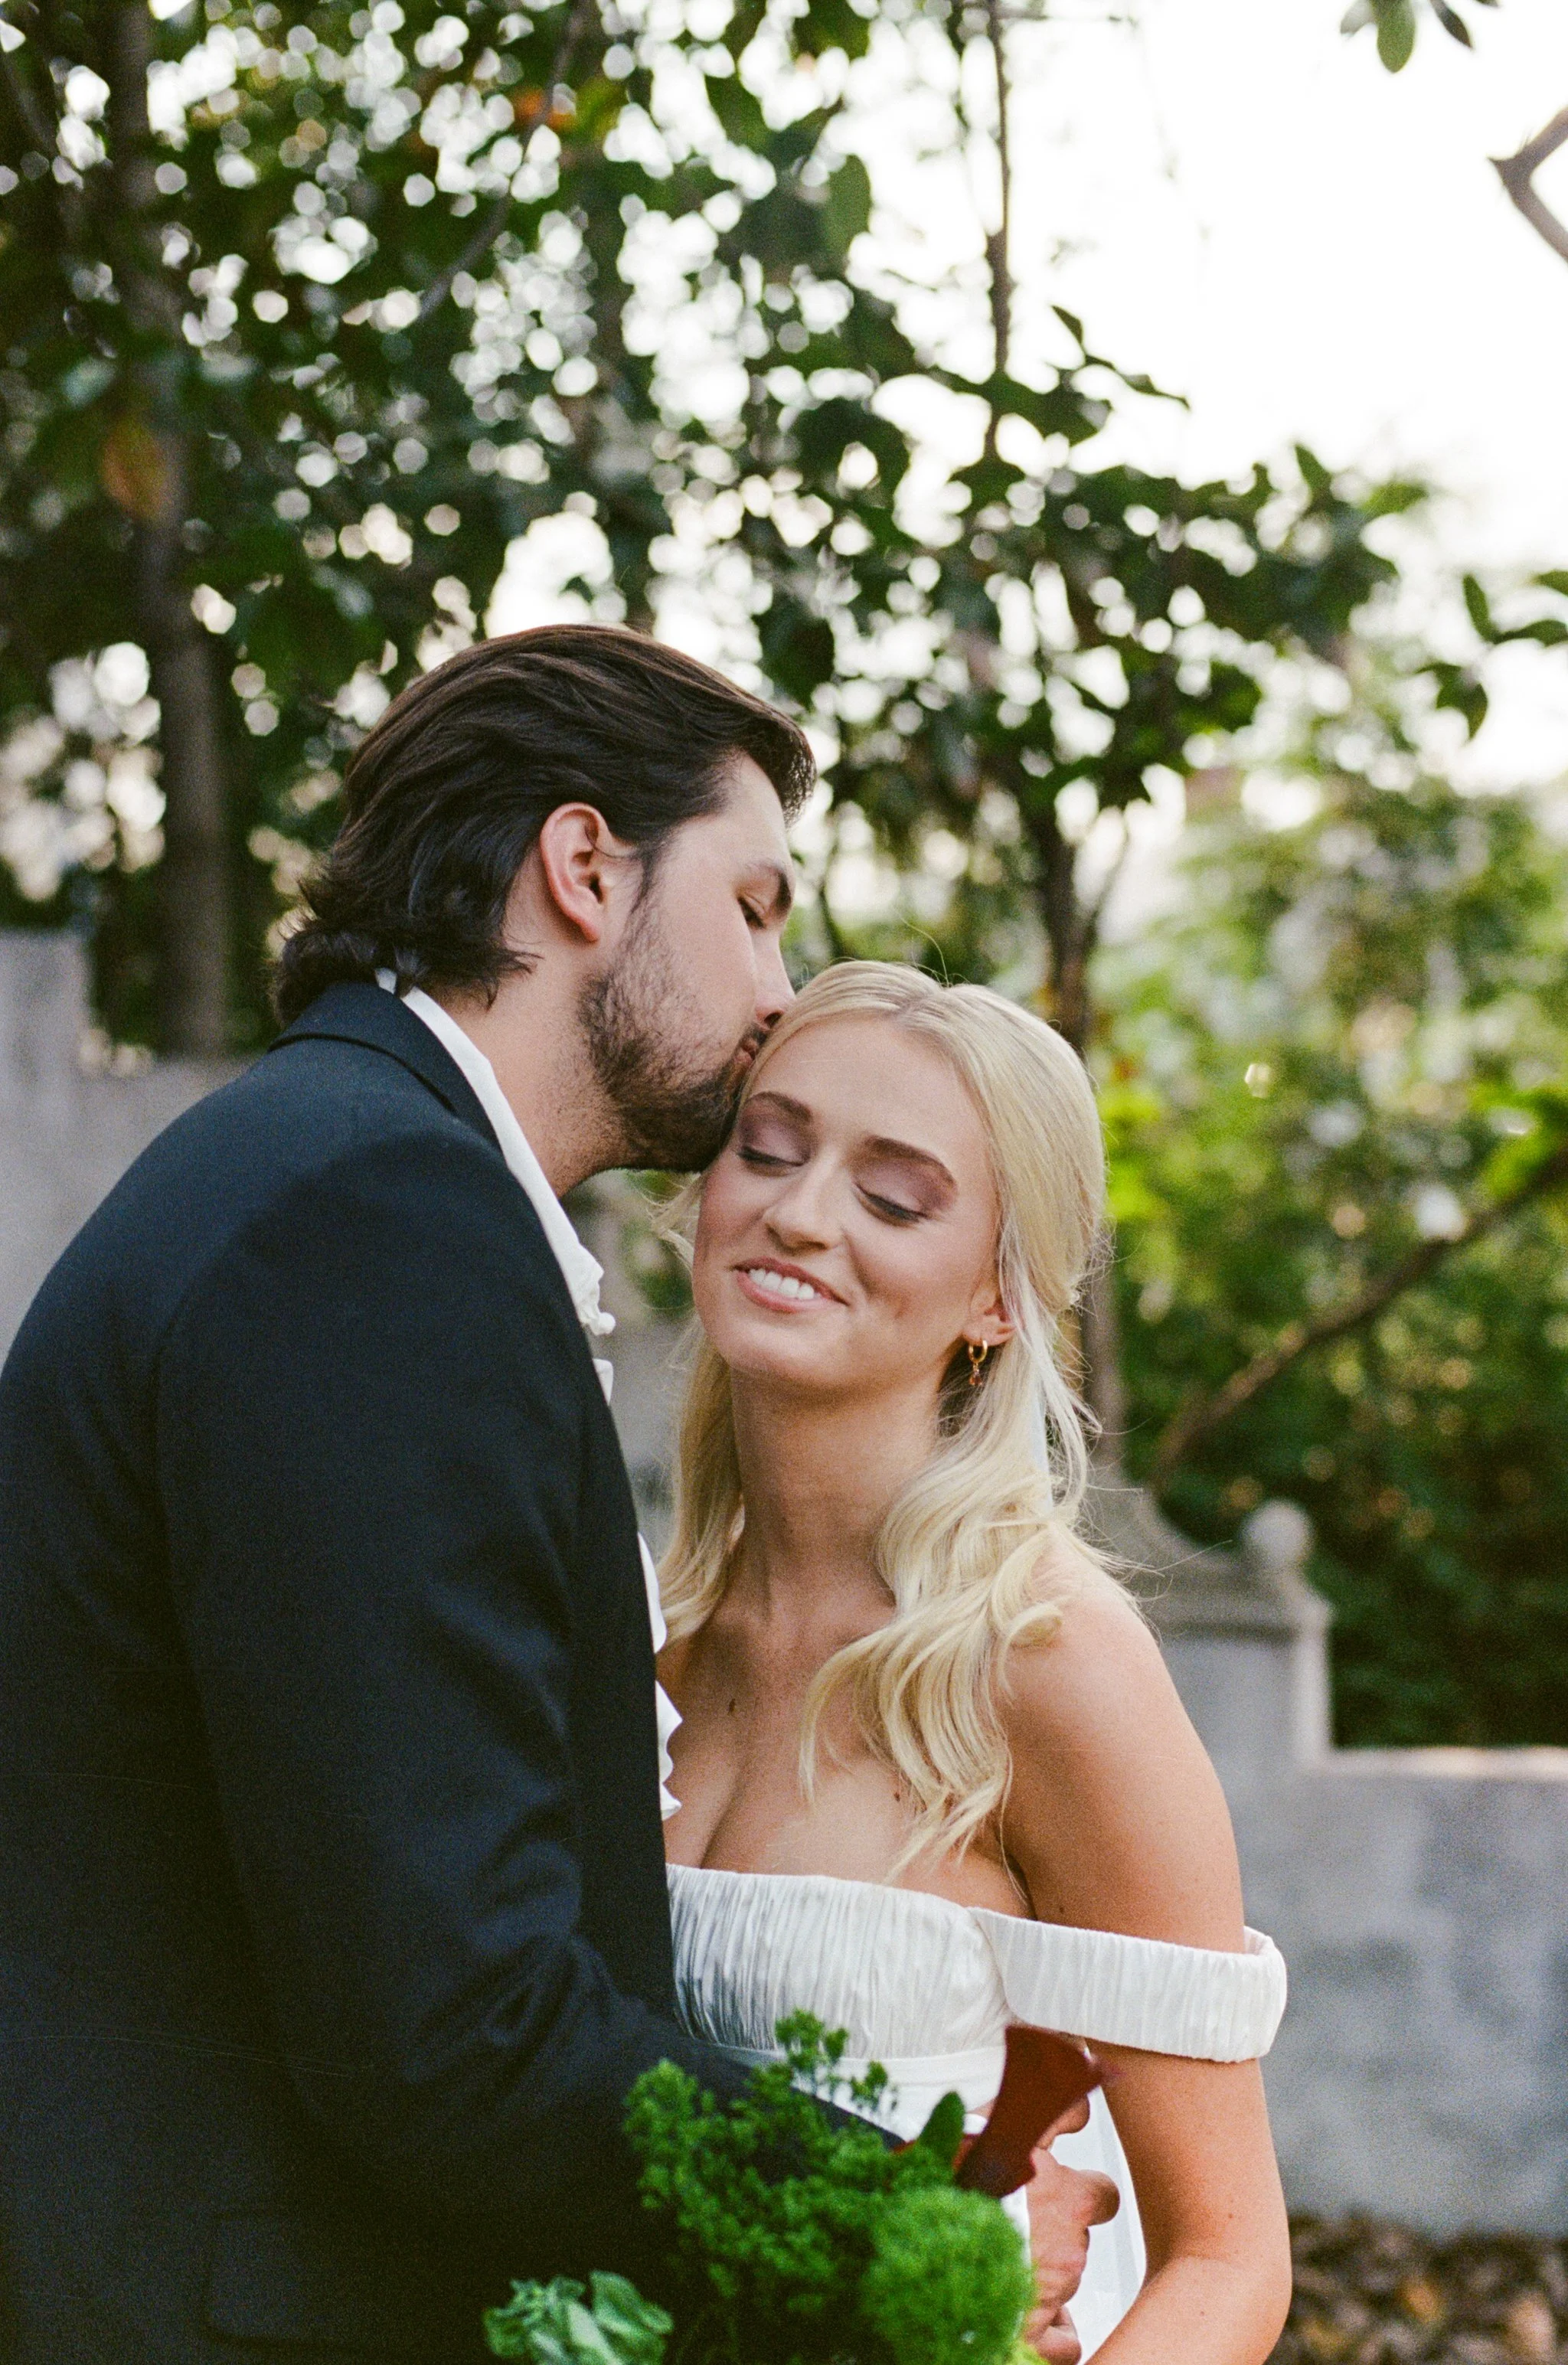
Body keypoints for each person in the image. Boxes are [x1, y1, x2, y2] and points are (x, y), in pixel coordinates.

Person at [0, 628, 1108, 2365]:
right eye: (753, 905)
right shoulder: (383, 1222)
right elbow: (452, 2028)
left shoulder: (314, 1159)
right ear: (585, 866)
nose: (773, 989)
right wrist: (922, 2234)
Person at [658, 960, 1295, 2363]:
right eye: (768, 1148)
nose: (800, 1212)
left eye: (895, 1196)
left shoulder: (1049, 1668)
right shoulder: (638, 1636)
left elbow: (1230, 2261)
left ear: (999, 1301)